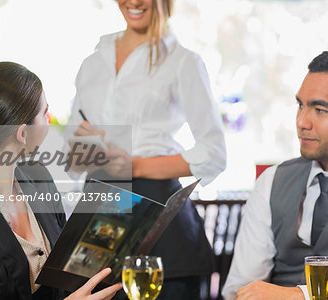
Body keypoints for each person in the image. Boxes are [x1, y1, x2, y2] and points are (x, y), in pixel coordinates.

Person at [65, 0, 226, 299]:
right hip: (99, 209)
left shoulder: (183, 62)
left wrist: (134, 166)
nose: (134, 2)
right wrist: (86, 150)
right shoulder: (92, 62)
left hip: (158, 212)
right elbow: (72, 149)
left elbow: (214, 153)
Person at [0, 62, 122, 300]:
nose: (50, 117)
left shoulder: (39, 177)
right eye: (45, 112)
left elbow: (62, 273)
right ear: (23, 133)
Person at [222, 49, 328, 300]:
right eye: (301, 105)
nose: (302, 122)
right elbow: (242, 287)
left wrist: (302, 295)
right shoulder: (271, 181)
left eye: (320, 110)